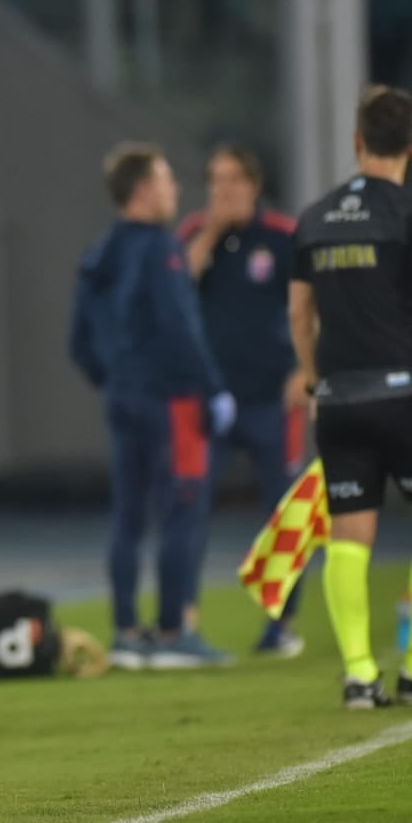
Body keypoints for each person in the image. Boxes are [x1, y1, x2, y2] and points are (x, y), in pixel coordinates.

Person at [68, 143, 238, 671]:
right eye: (167, 180)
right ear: (143, 190)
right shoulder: (161, 249)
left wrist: (116, 377)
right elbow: (178, 327)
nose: (175, 190)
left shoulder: (100, 253)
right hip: (171, 399)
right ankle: (172, 632)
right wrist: (212, 388)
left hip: (123, 397)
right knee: (184, 509)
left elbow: (78, 341)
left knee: (128, 516)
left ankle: (125, 631)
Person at [288, 84, 412, 709]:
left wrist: (313, 379)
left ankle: (360, 675)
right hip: (403, 394)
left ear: (358, 142)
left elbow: (299, 310)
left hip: (338, 401)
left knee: (348, 537)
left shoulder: (313, 218)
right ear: (408, 147)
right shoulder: (405, 215)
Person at [177, 144, 310, 657]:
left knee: (284, 515)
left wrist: (306, 370)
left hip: (271, 398)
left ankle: (281, 624)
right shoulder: (194, 235)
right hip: (209, 403)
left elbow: (312, 306)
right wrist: (211, 232)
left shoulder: (282, 236)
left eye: (233, 180)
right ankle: (182, 621)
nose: (223, 190)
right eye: (215, 180)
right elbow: (175, 292)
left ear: (254, 184)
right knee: (189, 509)